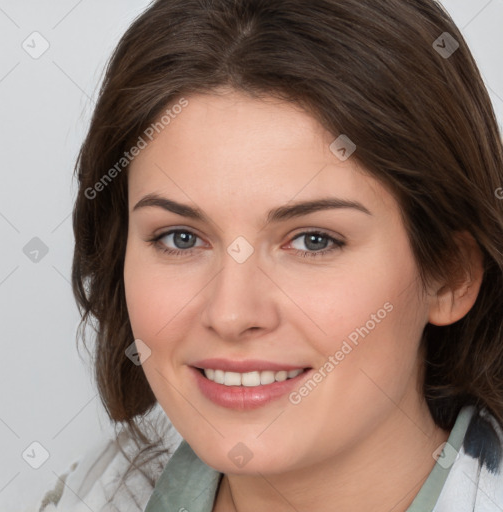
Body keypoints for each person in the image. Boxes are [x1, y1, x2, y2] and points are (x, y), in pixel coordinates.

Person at [34, 0, 503, 510]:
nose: (231, 314)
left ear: (450, 274)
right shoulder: (89, 496)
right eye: (181, 238)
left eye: (313, 240)